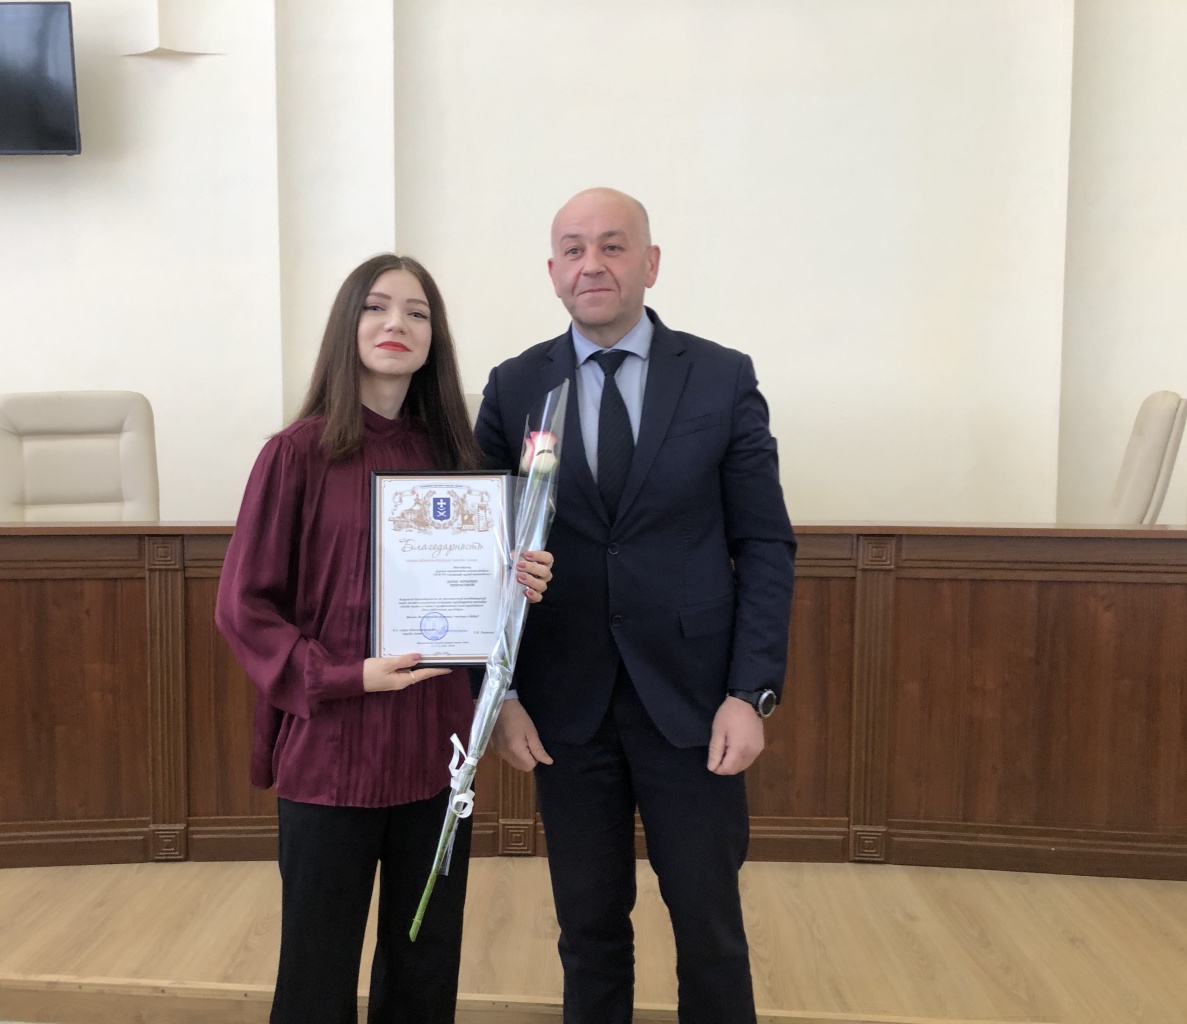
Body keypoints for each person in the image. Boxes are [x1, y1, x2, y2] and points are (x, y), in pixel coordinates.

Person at [474, 189, 795, 1024]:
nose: (592, 265)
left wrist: (750, 692)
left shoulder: (721, 377)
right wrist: (500, 695)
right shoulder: (514, 387)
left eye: (613, 246)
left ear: (649, 263)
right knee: (587, 930)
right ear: (552, 272)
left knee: (709, 927)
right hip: (564, 709)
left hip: (694, 705)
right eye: (573, 249)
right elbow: (483, 557)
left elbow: (764, 543)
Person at [216, 253, 554, 1024]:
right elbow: (243, 607)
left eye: (417, 312)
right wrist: (346, 676)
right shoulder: (295, 454)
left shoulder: (457, 461)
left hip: (436, 755)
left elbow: (471, 605)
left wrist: (514, 576)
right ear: (348, 326)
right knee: (316, 974)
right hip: (330, 755)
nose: (396, 322)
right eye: (375, 306)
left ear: (435, 339)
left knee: (423, 970)